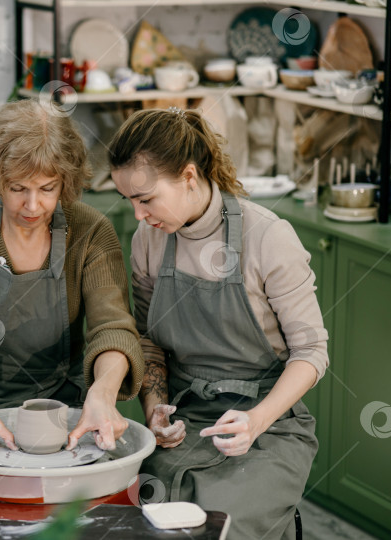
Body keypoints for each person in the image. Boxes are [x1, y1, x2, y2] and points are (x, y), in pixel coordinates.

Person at [108, 107, 328, 539]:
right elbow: (148, 341)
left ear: (189, 176)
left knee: (214, 526)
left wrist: (257, 421)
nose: (138, 214)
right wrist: (154, 410)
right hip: (188, 417)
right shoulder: (150, 239)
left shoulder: (267, 237)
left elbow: (311, 353)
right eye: (129, 201)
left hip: (270, 427)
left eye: (147, 198)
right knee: (135, 514)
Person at [0, 99, 144, 454]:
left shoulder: (91, 231)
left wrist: (103, 394)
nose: (33, 206)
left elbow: (113, 330)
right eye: (18, 188)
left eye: (48, 189)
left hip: (63, 402)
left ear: (66, 181)